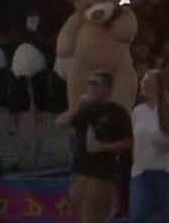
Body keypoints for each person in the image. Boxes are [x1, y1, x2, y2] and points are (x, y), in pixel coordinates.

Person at [56, 70, 133, 223]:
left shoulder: (117, 112)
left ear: (108, 88)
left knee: (94, 216)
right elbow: (60, 123)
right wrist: (77, 107)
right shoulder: (84, 110)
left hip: (101, 174)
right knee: (78, 215)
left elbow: (128, 143)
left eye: (96, 83)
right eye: (90, 83)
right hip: (79, 171)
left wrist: (103, 146)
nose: (92, 87)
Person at [129, 68, 169, 223]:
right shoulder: (138, 111)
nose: (144, 85)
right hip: (140, 170)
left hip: (166, 170)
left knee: (168, 213)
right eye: (143, 81)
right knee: (137, 215)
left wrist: (168, 143)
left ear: (159, 86)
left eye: (148, 82)